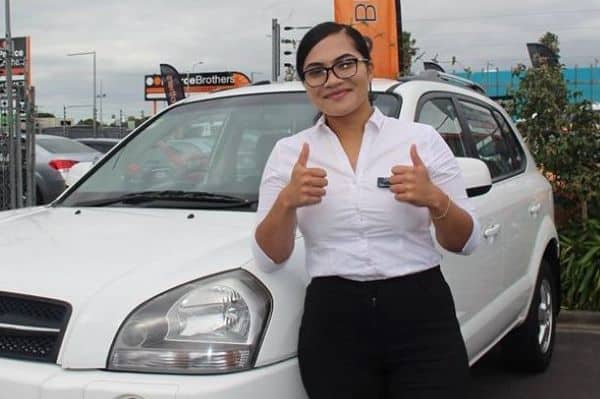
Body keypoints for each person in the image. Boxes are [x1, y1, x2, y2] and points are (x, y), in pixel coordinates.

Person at [253, 21, 481, 398]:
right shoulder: (289, 154)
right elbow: (268, 257)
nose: (332, 79)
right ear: (306, 84)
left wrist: (435, 199)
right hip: (334, 321)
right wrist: (286, 202)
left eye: (345, 64)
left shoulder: (419, 141)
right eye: (316, 72)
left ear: (369, 67)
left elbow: (467, 242)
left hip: (421, 313)